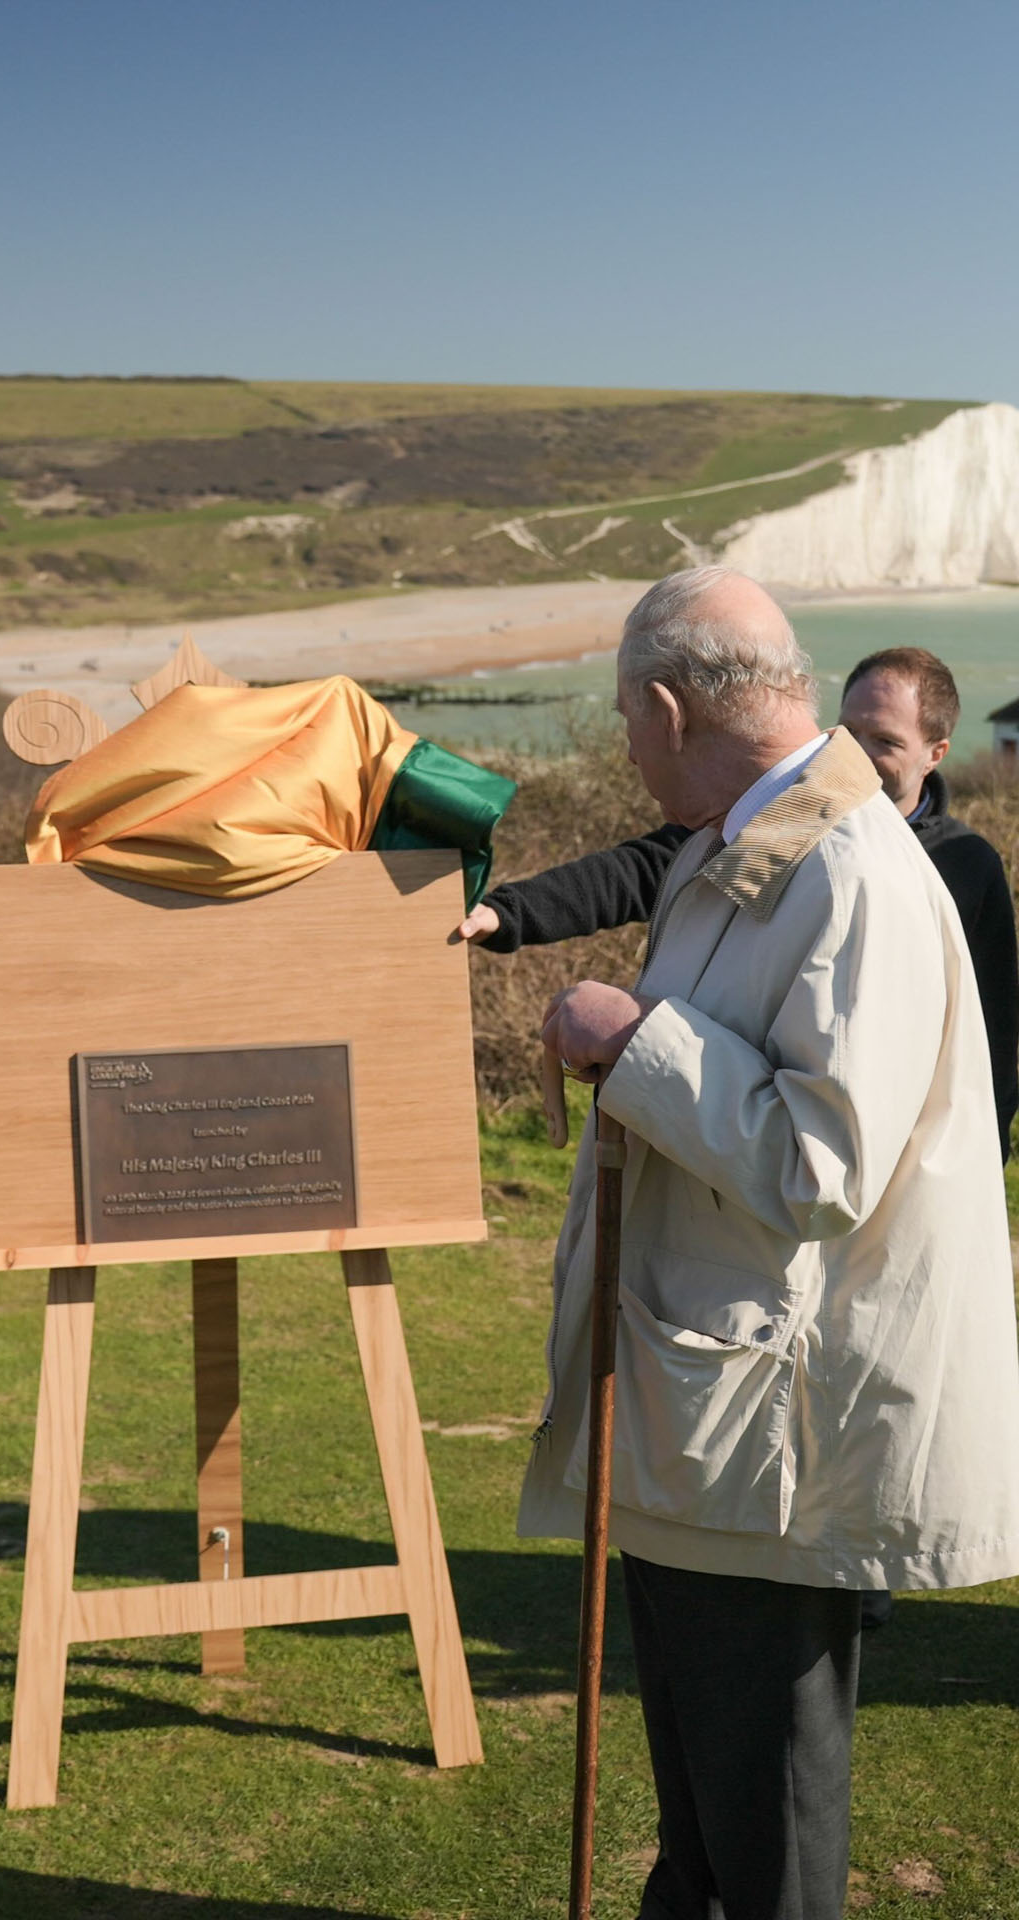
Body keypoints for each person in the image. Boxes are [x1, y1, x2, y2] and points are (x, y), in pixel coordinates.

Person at [520, 567, 1019, 1920]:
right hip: (718, 1419)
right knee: (707, 1813)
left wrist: (636, 1041)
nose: (625, 743)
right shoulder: (746, 843)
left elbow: (824, 1165)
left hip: (777, 1437)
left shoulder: (848, 871)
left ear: (672, 705)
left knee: (768, 1825)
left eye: (629, 717)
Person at [463, 644, 1019, 1159]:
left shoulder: (967, 866)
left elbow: (989, 1030)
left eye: (887, 741)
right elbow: (641, 868)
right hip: (777, 1144)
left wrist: (981, 1157)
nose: (863, 755)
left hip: (892, 1146)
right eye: (850, 733)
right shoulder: (789, 822)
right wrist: (508, 912)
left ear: (935, 753)